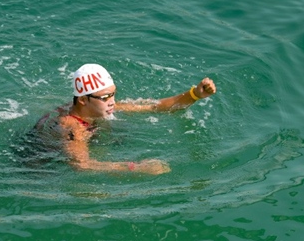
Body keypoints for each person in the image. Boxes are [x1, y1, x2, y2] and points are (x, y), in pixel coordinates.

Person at [31, 63, 217, 175]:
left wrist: (194, 94)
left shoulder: (99, 107)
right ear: (82, 100)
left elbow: (155, 106)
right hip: (40, 170)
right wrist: (137, 168)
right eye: (105, 97)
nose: (112, 102)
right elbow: (82, 165)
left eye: (113, 94)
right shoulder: (73, 127)